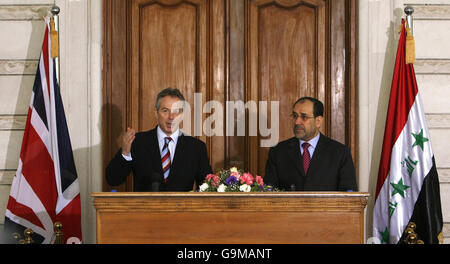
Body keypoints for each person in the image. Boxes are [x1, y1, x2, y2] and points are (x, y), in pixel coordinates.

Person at [105, 88, 212, 191]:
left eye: (176, 111)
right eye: (165, 111)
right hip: (144, 209)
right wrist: (125, 154)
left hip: (182, 209)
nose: (171, 117)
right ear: (156, 113)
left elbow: (207, 189)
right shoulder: (137, 142)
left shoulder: (196, 148)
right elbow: (113, 180)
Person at [264, 97, 357, 191]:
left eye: (304, 117)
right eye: (295, 116)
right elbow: (269, 192)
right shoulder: (278, 152)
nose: (297, 122)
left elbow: (349, 194)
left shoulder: (340, 153)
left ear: (318, 121)